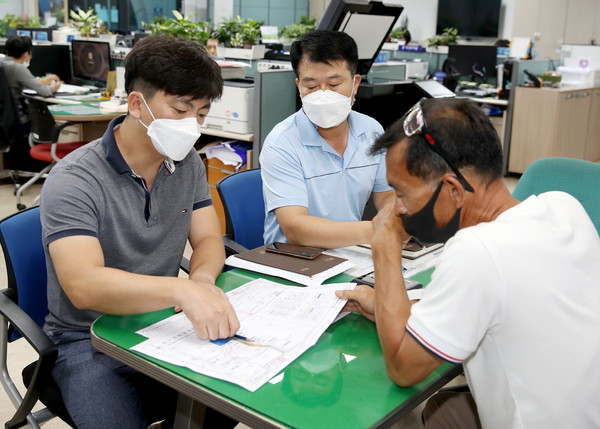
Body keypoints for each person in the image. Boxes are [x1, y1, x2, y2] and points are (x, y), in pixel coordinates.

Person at [337, 97, 600, 428]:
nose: (397, 209)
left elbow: (403, 370)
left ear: (452, 190)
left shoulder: (477, 250)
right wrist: (390, 305)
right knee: (444, 410)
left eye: (401, 193)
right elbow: (504, 303)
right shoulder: (563, 206)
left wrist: (385, 246)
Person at [41, 36, 240, 429]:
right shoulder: (75, 179)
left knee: (231, 402)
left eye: (200, 114)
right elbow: (84, 285)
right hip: (88, 339)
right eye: (181, 110)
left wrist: (200, 279)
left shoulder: (187, 165)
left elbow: (207, 241)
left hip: (163, 324)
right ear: (136, 104)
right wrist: (181, 290)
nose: (191, 126)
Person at [260, 30, 394, 248]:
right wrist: (377, 230)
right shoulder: (282, 142)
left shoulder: (371, 131)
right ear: (298, 86)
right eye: (311, 86)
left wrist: (397, 219)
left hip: (352, 252)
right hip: (293, 261)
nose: (322, 95)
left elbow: (387, 197)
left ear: (355, 84)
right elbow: (295, 228)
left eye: (333, 85)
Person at [0, 35, 60, 125]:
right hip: (18, 119)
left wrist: (39, 80)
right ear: (27, 54)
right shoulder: (18, 68)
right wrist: (55, 86)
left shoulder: (2, 63)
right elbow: (45, 92)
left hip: (4, 119)